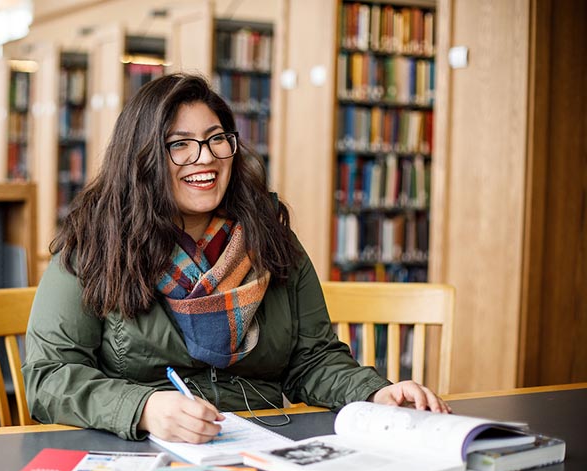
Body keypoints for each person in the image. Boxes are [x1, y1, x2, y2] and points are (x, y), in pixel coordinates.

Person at [23, 73, 450, 444]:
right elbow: (50, 377)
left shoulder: (270, 239)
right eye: (180, 145)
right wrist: (144, 408)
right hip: (138, 447)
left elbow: (313, 359)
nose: (205, 158)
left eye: (215, 140)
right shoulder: (97, 245)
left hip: (263, 442)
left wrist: (375, 393)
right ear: (142, 158)